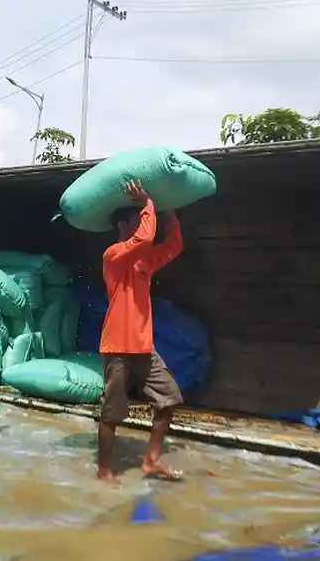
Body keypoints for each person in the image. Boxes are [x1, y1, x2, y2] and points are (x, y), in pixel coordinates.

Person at [96, 179, 186, 483]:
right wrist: (148, 202)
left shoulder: (144, 260)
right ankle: (105, 471)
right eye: (135, 220)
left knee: (169, 399)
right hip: (117, 346)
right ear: (122, 225)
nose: (141, 225)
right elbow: (145, 238)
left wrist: (170, 215)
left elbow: (174, 246)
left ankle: (151, 461)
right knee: (112, 412)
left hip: (144, 347)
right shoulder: (114, 255)